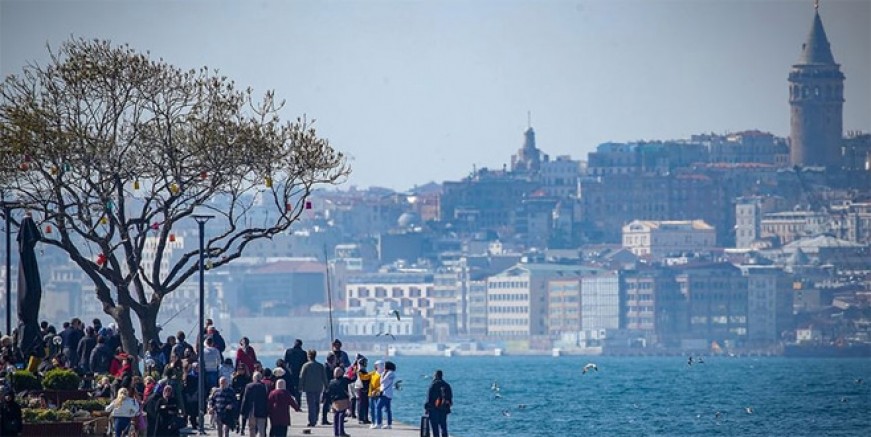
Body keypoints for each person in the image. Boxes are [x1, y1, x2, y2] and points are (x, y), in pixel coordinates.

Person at [298, 349, 327, 428]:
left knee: (311, 405)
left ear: (308, 356)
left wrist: (300, 387)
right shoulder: (320, 366)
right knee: (317, 404)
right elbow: (324, 377)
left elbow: (301, 377)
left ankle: (312, 420)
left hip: (309, 387)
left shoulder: (306, 365)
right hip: (318, 387)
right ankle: (316, 418)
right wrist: (326, 386)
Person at [327, 367, 356, 437]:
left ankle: (336, 432)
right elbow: (353, 379)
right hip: (343, 399)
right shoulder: (344, 380)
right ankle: (341, 432)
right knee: (341, 415)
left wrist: (330, 402)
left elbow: (328, 392)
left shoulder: (331, 382)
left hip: (335, 401)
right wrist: (355, 372)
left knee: (336, 415)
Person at [425, 370, 453, 437]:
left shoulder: (433, 384)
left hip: (434, 409)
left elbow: (429, 397)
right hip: (444, 409)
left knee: (435, 427)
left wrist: (427, 408)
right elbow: (450, 398)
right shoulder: (447, 385)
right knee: (443, 426)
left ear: (436, 376)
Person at [241, 371, 269, 437]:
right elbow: (267, 399)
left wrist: (243, 411)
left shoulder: (249, 386)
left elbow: (245, 399)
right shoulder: (264, 386)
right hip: (262, 411)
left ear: (253, 378)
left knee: (252, 429)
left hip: (252, 410)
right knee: (262, 430)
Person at [373, 361, 396, 430]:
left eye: (384, 365)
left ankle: (379, 423)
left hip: (386, 393)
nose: (383, 367)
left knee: (378, 407)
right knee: (387, 409)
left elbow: (382, 381)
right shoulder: (386, 373)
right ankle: (389, 424)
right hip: (385, 393)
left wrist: (382, 374)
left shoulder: (390, 373)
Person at [353, 356, 372, 424]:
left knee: (366, 404)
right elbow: (362, 379)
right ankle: (360, 418)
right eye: (365, 362)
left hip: (365, 389)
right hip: (361, 388)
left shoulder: (364, 370)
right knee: (360, 404)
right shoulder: (360, 371)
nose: (366, 364)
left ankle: (365, 418)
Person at [367, 361, 383, 429]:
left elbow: (382, 385)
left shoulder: (382, 375)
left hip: (378, 394)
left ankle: (379, 423)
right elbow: (364, 377)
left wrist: (376, 390)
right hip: (371, 394)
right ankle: (373, 422)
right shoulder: (373, 373)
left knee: (378, 409)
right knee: (372, 409)